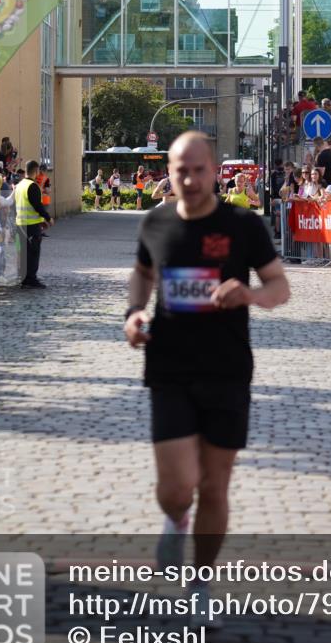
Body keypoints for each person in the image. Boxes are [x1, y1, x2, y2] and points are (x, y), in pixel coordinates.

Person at [123, 132, 289, 618]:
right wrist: (134, 313)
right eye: (181, 171)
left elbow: (279, 285)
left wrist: (251, 295)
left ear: (215, 170)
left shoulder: (242, 224)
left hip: (227, 369)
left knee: (214, 486)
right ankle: (176, 521)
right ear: (169, 173)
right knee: (176, 488)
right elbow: (142, 273)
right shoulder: (154, 222)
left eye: (198, 169)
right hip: (169, 365)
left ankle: (201, 586)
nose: (190, 179)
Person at [14, 159, 53, 289]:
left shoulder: (20, 185)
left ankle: (23, 277)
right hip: (31, 225)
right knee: (33, 252)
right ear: (36, 171)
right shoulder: (33, 186)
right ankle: (31, 279)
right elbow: (37, 206)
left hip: (20, 223)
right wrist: (47, 218)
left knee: (22, 253)